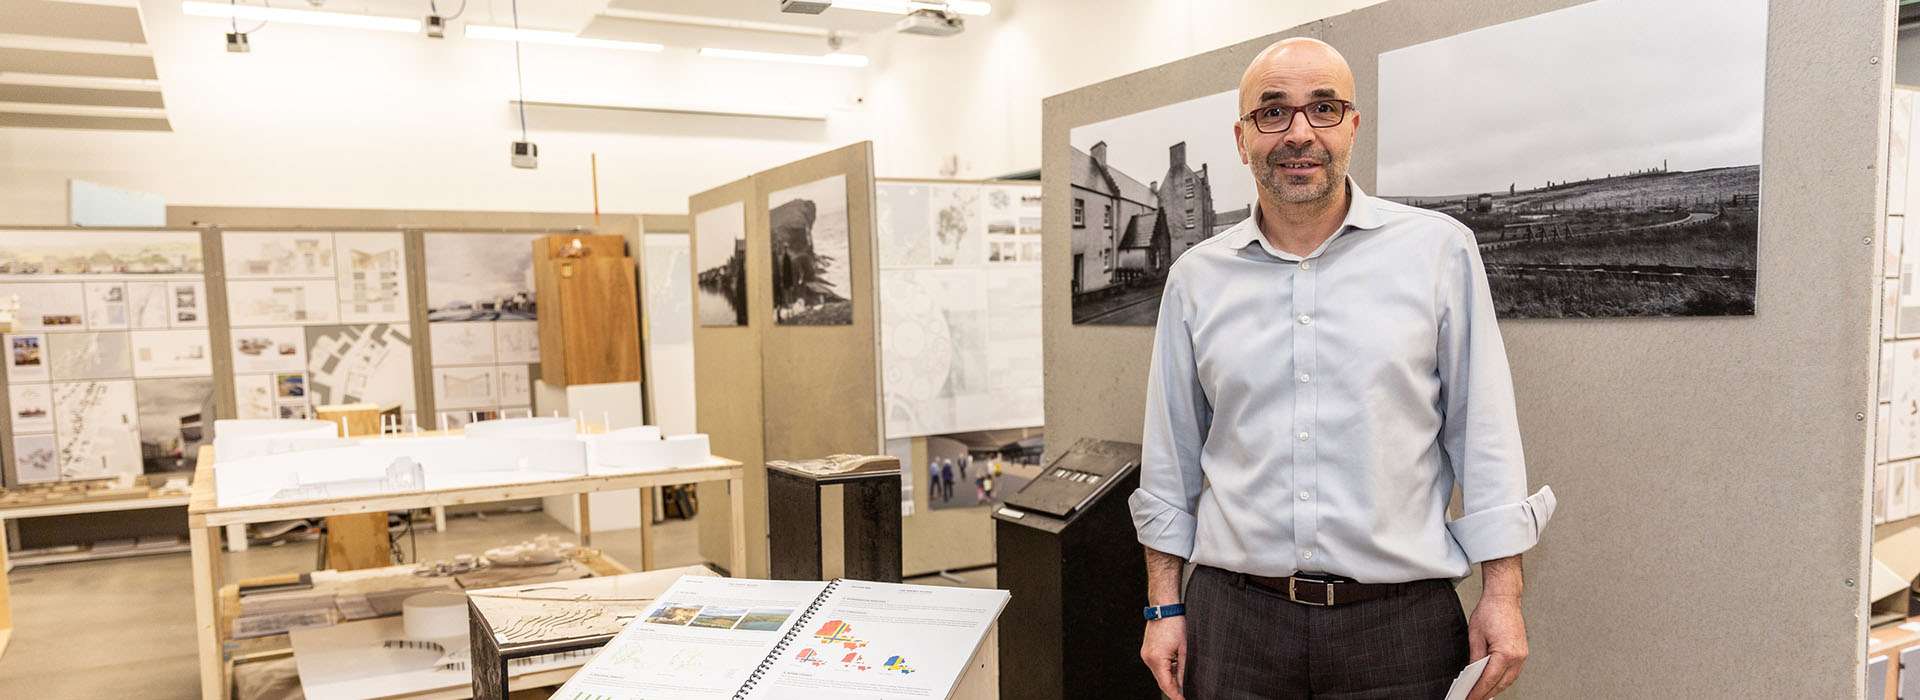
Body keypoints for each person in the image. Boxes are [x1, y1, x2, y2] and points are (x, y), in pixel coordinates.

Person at [1131, 38, 1557, 700]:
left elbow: (1485, 435)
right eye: (1273, 113)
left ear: (1351, 126)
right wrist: (1163, 606)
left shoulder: (1438, 252)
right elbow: (1171, 461)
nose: (1299, 133)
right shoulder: (1195, 279)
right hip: (1235, 623)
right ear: (1242, 139)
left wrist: (1502, 592)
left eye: (1323, 108)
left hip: (1400, 628)